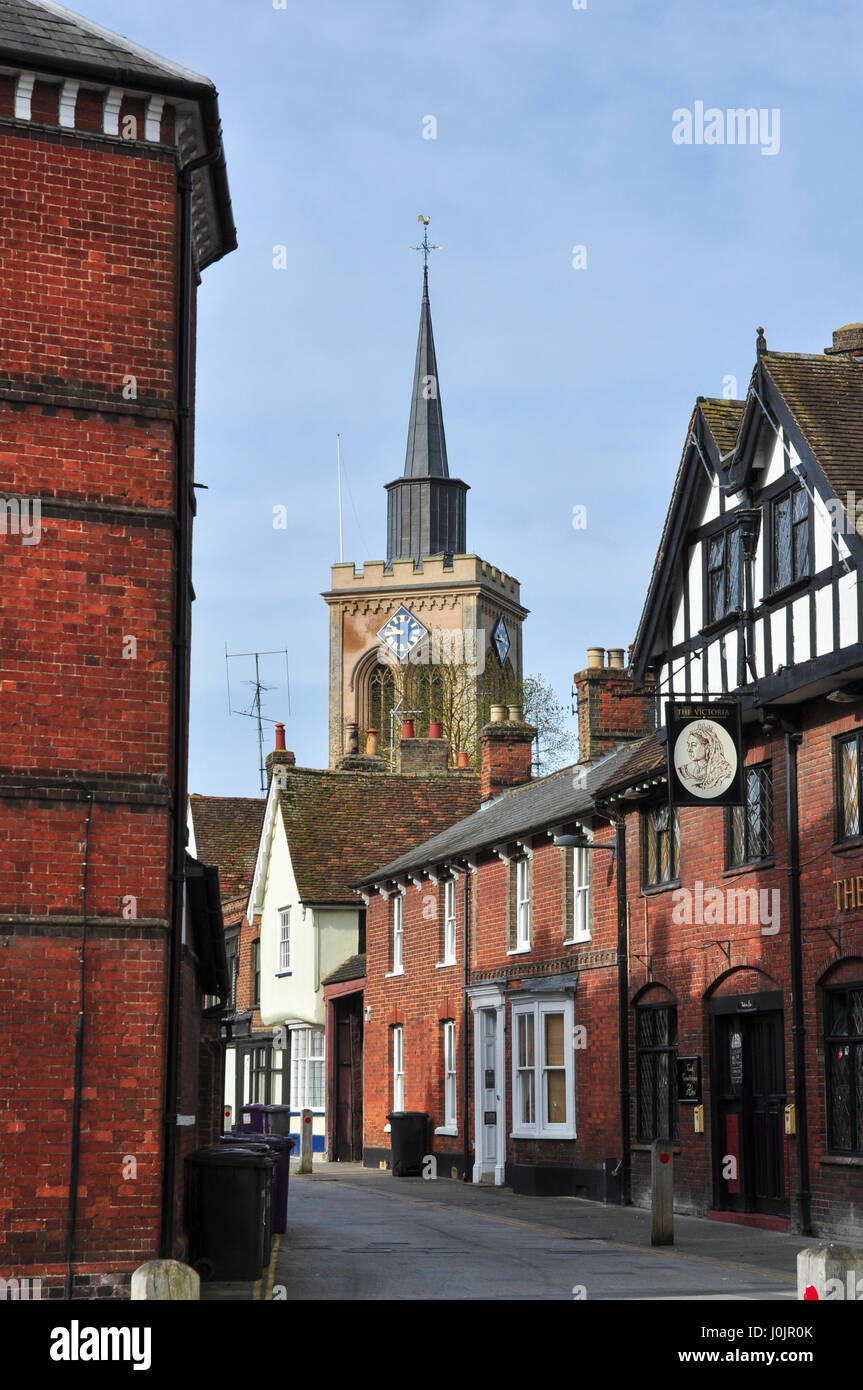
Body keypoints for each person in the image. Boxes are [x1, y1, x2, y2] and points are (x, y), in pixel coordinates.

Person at [676, 722, 733, 791]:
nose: (689, 749)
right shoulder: (685, 770)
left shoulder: (723, 769)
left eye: (693, 745)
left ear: (707, 747)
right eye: (688, 745)